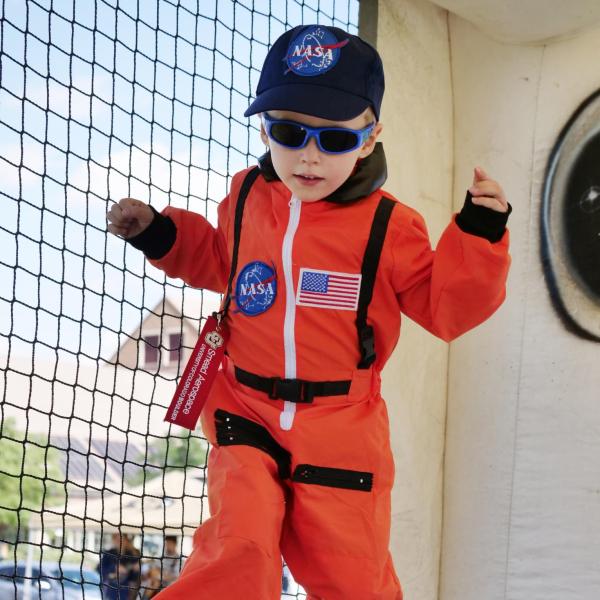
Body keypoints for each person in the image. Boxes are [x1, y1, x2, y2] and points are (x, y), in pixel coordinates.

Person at [107, 24, 511, 600]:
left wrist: (477, 233)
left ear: (370, 140)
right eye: (290, 132)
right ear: (266, 129)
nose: (309, 155)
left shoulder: (388, 227)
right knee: (236, 552)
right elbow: (220, 258)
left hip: (339, 428)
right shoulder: (246, 197)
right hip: (243, 409)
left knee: (353, 580)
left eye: (335, 140)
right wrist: (160, 233)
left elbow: (446, 307)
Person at [97, 532, 141, 600]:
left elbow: (133, 577)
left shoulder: (131, 555)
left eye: (122, 539)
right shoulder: (108, 554)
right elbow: (99, 569)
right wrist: (114, 568)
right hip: (110, 589)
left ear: (126, 540)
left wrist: (136, 570)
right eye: (117, 539)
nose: (120, 542)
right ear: (113, 540)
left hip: (125, 591)